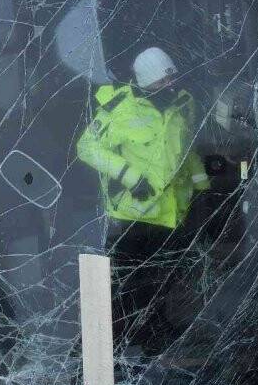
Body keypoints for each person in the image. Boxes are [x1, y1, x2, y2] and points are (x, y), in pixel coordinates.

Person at [76, 47, 209, 347]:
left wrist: (203, 191)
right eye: (162, 82)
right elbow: (87, 147)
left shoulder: (183, 105)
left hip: (171, 212)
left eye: (172, 78)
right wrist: (130, 178)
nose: (169, 86)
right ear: (145, 82)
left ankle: (153, 333)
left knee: (160, 281)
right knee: (124, 288)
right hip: (131, 217)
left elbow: (186, 152)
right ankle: (107, 348)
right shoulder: (119, 107)